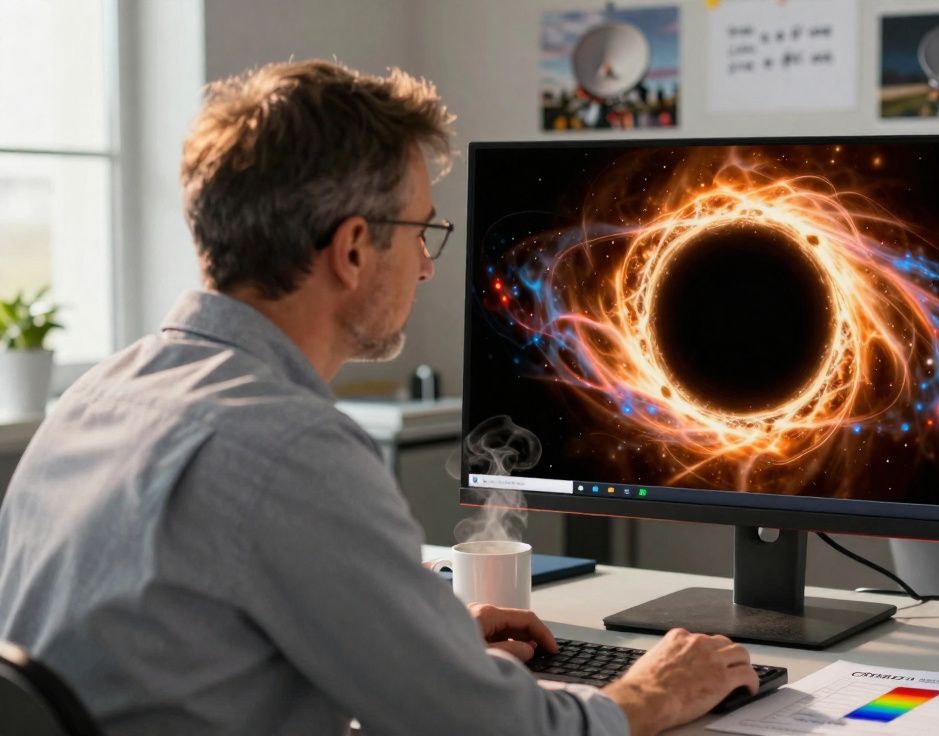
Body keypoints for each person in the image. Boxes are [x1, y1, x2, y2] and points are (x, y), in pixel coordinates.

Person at [0, 60, 757, 735]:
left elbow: (194, 630)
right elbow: (493, 727)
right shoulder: (286, 445)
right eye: (422, 230)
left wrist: (415, 632)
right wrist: (649, 693)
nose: (428, 267)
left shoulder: (98, 396)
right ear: (355, 248)